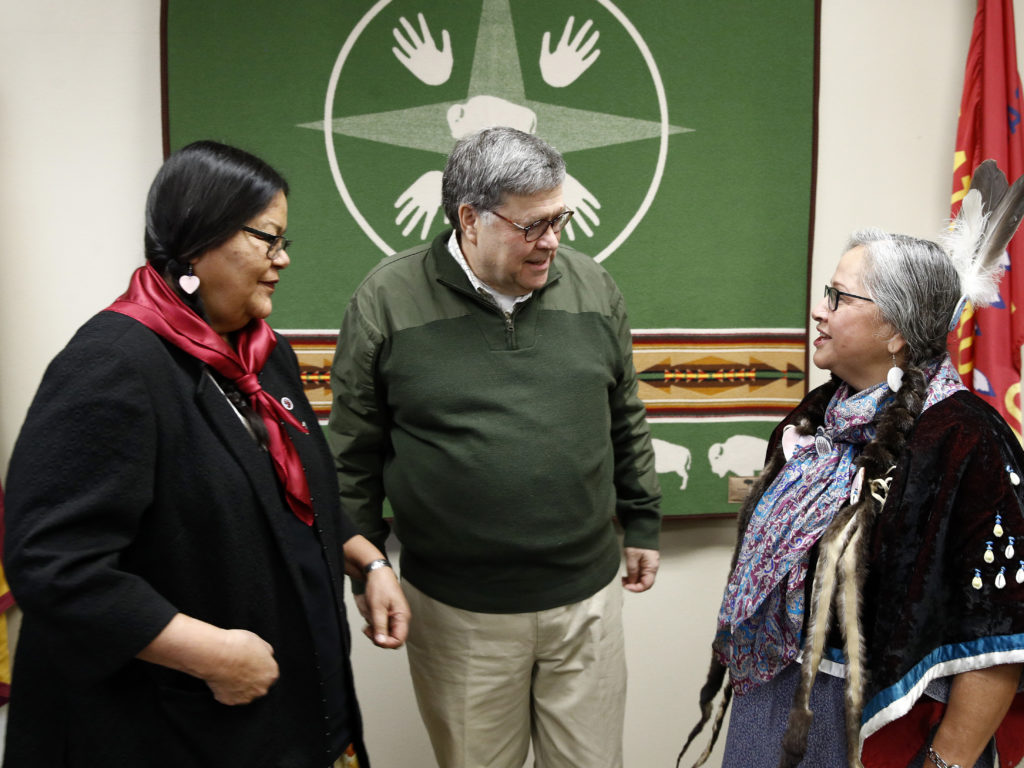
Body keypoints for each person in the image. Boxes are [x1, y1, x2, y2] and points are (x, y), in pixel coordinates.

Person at [2, 140, 409, 768]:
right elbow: (54, 564)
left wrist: (367, 562)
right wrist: (210, 655)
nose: (283, 260)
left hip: (301, 717)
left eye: (284, 242)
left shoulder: (260, 354)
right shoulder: (111, 364)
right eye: (269, 239)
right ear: (199, 241)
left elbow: (296, 494)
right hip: (177, 732)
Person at [328, 126, 662, 768]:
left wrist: (642, 519)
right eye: (533, 225)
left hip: (585, 600)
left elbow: (625, 413)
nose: (553, 241)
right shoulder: (387, 300)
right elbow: (352, 456)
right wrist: (366, 568)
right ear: (470, 219)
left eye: (560, 219)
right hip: (458, 615)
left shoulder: (593, 288)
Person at [679, 172, 1024, 768]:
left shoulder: (968, 442)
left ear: (895, 330)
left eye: (838, 297)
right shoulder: (815, 415)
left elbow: (1005, 629)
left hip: (882, 725)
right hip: (771, 700)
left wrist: (946, 763)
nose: (819, 310)